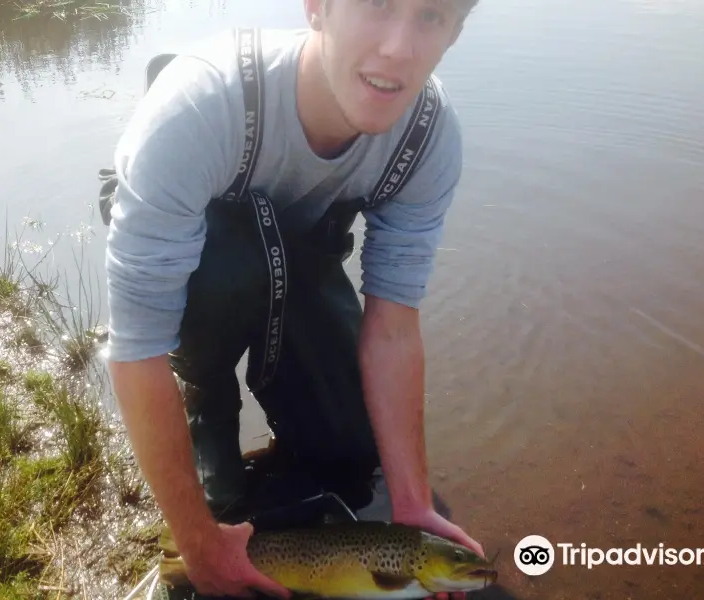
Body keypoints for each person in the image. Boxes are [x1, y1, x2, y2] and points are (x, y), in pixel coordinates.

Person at [104, 1, 484, 599]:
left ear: (456, 33)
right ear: (317, 7)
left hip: (296, 258)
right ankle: (209, 399)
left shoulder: (429, 139)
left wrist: (410, 502)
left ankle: (293, 401)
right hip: (199, 259)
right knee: (233, 263)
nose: (398, 48)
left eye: (431, 16)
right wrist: (198, 542)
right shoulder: (198, 107)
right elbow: (135, 349)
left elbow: (392, 324)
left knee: (354, 457)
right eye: (377, 5)